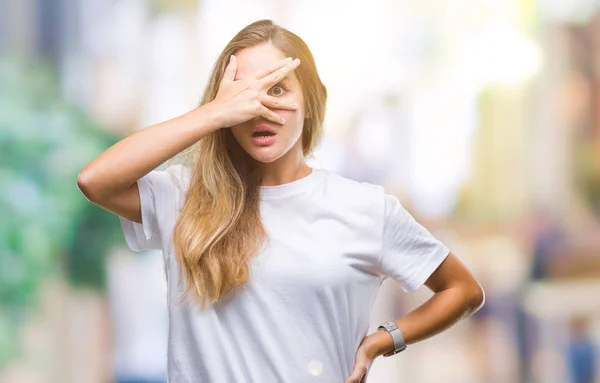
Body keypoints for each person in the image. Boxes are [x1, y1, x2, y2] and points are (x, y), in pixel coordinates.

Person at [77, 19, 485, 383]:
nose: (259, 109)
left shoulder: (365, 208)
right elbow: (96, 180)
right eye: (244, 93)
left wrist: (384, 339)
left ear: (309, 102)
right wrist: (214, 114)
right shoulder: (183, 198)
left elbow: (462, 290)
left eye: (276, 89)